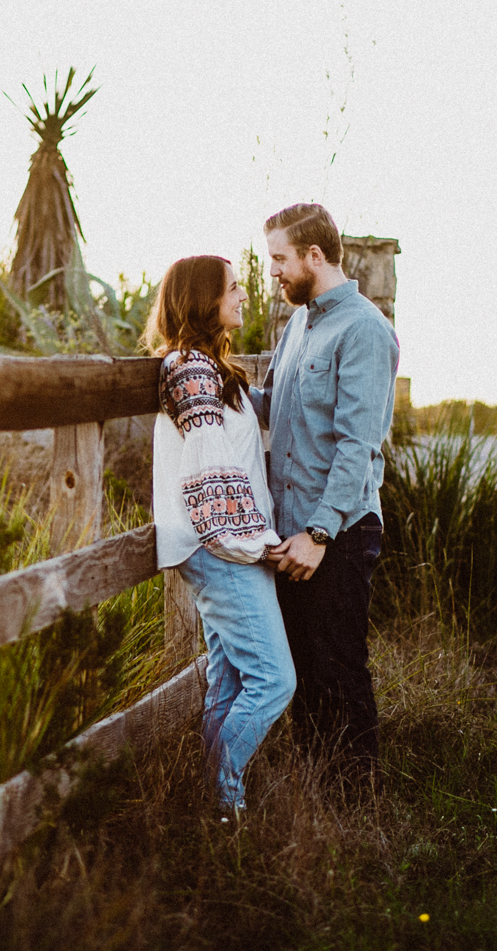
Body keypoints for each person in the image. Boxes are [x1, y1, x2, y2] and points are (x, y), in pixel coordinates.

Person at [251, 203, 400, 787]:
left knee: (338, 669)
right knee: (304, 672)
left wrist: (317, 534)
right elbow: (274, 409)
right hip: (292, 532)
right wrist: (209, 382)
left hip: (335, 533)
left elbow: (355, 445)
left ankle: (356, 804)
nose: (274, 273)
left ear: (315, 255)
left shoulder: (364, 329)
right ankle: (316, 793)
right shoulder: (298, 324)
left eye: (280, 260)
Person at [145, 254, 296, 817]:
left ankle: (212, 807)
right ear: (205, 299)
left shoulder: (211, 369)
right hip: (220, 549)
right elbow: (207, 472)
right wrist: (252, 545)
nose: (242, 296)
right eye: (233, 289)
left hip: (229, 544)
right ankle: (223, 796)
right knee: (276, 680)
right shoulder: (188, 368)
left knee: (230, 682)